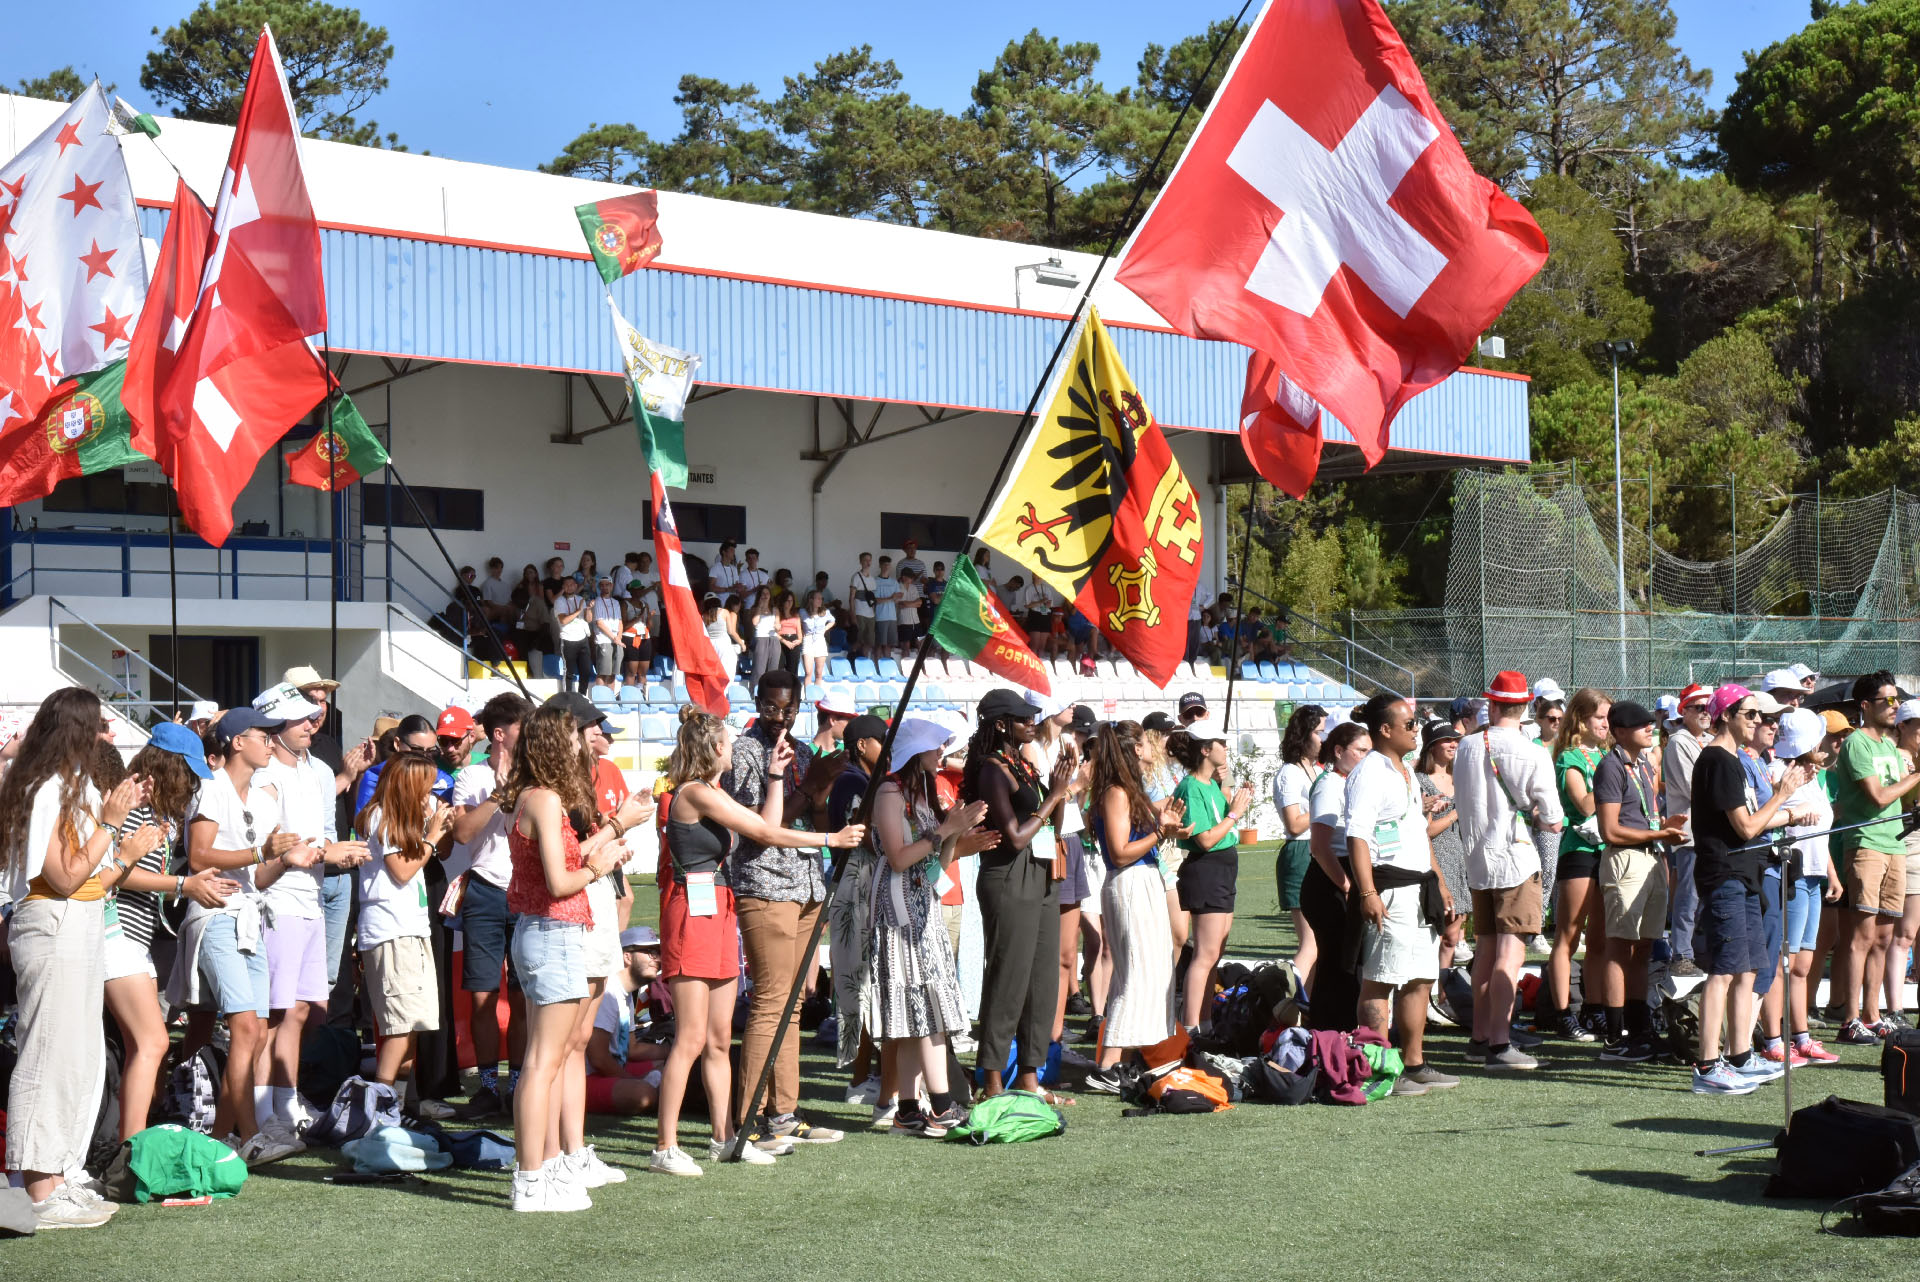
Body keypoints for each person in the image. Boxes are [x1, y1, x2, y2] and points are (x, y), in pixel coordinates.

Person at [653, 709, 866, 1176]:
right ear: (713, 749)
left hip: (718, 910)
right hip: (692, 911)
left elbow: (765, 823)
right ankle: (664, 1146)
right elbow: (767, 833)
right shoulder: (694, 793)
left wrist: (774, 776)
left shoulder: (712, 793)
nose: (733, 747)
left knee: (715, 1039)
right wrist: (832, 837)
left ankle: (724, 1138)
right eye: (728, 741)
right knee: (689, 1038)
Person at [0, 689, 161, 1228]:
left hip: (82, 924)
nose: (108, 737)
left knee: (79, 1059)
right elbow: (66, 877)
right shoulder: (44, 788)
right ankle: (37, 1190)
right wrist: (114, 827)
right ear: (75, 730)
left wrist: (124, 846)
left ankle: (60, 1174)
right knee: (49, 1055)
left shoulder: (75, 786)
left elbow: (93, 879)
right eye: (100, 726)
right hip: (53, 923)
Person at [498, 704, 641, 1211]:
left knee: (549, 1060)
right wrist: (599, 865)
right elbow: (561, 883)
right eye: (576, 737)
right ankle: (531, 1179)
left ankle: (544, 1171)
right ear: (558, 744)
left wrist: (597, 853)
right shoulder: (544, 799)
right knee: (542, 1063)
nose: (585, 743)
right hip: (553, 932)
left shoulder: (532, 797)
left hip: (544, 932)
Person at [173, 707, 313, 1163]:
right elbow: (198, 857)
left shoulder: (266, 800)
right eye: (263, 735)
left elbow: (261, 877)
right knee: (242, 1026)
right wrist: (260, 851)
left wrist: (285, 859)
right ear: (237, 742)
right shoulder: (211, 789)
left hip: (250, 916)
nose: (271, 743)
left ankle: (222, 1138)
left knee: (252, 1030)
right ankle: (249, 1135)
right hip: (216, 916)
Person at [721, 668, 848, 1146]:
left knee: (794, 1005)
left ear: (800, 706)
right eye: (771, 706)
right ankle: (748, 1122)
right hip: (765, 884)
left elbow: (815, 816)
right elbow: (758, 829)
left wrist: (821, 789)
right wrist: (806, 785)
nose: (779, 716)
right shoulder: (744, 752)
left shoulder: (808, 751)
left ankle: (783, 1115)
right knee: (770, 1002)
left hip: (808, 885)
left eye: (788, 708)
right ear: (757, 701)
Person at [863, 718, 998, 1137]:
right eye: (936, 746)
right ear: (915, 750)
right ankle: (939, 1106)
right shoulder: (889, 792)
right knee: (924, 1010)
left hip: (923, 909)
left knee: (916, 1013)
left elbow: (935, 863)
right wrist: (947, 830)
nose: (942, 753)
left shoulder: (918, 793)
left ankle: (908, 1109)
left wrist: (955, 835)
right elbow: (899, 858)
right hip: (902, 915)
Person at [106, 725, 237, 1146]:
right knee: (153, 1041)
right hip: (116, 933)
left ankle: (128, 1140)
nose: (194, 784)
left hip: (134, 938)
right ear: (170, 766)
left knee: (140, 1044)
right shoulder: (134, 803)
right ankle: (130, 1146)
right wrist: (185, 885)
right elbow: (120, 873)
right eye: (190, 773)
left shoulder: (156, 811)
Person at [254, 682, 371, 1132]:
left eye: (310, 715)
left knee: (307, 1008)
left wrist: (332, 849)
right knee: (275, 1012)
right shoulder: (263, 775)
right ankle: (263, 1109)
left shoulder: (321, 770)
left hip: (310, 900)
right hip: (276, 900)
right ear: (274, 725)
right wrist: (330, 850)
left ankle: (284, 1099)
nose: (311, 722)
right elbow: (272, 846)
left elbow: (321, 832)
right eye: (299, 717)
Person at [1687, 684, 1811, 1095]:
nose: (1759, 722)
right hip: (1725, 874)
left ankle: (1739, 1056)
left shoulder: (1735, 762)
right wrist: (1783, 799)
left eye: (1760, 715)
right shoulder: (1718, 761)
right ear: (1726, 715)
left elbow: (1751, 824)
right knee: (1723, 971)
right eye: (1751, 714)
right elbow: (1746, 827)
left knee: (1750, 968)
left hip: (1745, 875)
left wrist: (1785, 809)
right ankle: (1707, 1065)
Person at [965, 689, 1077, 1099]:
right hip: (1010, 878)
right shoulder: (992, 769)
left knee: (1043, 980)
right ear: (1000, 725)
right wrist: (1052, 796)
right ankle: (992, 1080)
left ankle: (1031, 1077)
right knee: (1008, 979)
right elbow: (1014, 837)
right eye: (1022, 718)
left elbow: (1050, 826)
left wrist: (1059, 788)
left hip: (1043, 874)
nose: (1032, 722)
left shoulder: (1023, 764)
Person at [1347, 693, 1457, 1092]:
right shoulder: (1370, 773)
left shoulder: (1407, 771)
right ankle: (1377, 1068)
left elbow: (1415, 831)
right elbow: (1357, 835)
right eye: (1409, 724)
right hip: (1389, 887)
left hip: (1420, 886)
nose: (1417, 730)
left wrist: (1440, 881)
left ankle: (1413, 1063)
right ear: (1385, 730)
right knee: (1380, 979)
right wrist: (1367, 893)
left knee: (1420, 977)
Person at [1454, 675, 1559, 1073]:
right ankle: (1500, 1043)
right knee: (1508, 957)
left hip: (1477, 859)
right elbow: (1552, 819)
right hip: (1515, 859)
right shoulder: (1532, 751)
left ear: (1493, 705)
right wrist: (1533, 813)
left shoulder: (1465, 746)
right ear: (1526, 707)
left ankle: (1481, 1039)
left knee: (1485, 953)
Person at [448, 691, 534, 1119]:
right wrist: (500, 796)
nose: (530, 733)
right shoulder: (471, 777)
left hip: (525, 892)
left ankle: (516, 1083)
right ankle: (486, 1086)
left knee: (522, 997)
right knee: (482, 996)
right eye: (523, 726)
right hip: (484, 890)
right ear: (500, 734)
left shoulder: (539, 776)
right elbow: (462, 833)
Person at [1085, 721, 1184, 1093]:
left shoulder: (1126, 790)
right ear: (1134, 749)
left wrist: (1167, 827)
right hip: (1130, 884)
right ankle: (1107, 1065)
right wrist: (1160, 833)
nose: (1150, 748)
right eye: (1143, 742)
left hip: (1141, 882)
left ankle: (1121, 1062)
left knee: (1148, 972)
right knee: (1135, 974)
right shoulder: (1116, 792)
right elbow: (1120, 851)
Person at [355, 754, 456, 1099]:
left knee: (413, 1025)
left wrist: (437, 830)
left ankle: (398, 1106)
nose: (430, 792)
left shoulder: (401, 816)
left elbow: (435, 851)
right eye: (425, 784)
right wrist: (430, 836)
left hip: (409, 929)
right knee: (400, 1027)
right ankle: (380, 1107)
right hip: (391, 931)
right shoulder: (383, 816)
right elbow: (402, 871)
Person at [1592, 700, 1687, 1063]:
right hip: (1628, 860)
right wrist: (1658, 834)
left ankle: (1639, 1028)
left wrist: (1664, 829)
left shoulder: (1644, 764)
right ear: (1618, 732)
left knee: (1644, 948)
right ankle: (1616, 1039)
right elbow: (1610, 829)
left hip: (1651, 858)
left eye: (1651, 723)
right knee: (1620, 949)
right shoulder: (1611, 767)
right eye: (1641, 724)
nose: (1650, 728)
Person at [1828, 670, 1920, 1045]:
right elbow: (1878, 797)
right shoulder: (1857, 745)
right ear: (1865, 706)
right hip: (1866, 844)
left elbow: (1901, 799)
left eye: (1897, 700)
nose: (1894, 707)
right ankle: (1849, 1018)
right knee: (1861, 937)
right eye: (1888, 701)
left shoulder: (1888, 746)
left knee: (1884, 937)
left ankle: (1873, 1013)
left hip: (1895, 845)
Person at [1764, 707, 1843, 1065]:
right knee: (1786, 961)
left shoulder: (1814, 778)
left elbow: (1820, 834)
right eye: (1822, 740)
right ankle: (1775, 1039)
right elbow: (1769, 820)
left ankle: (1801, 1037)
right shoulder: (1778, 773)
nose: (1828, 746)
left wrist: (1832, 873)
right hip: (1790, 876)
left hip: (1813, 876)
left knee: (1804, 965)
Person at [1170, 723, 1254, 1036]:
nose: (1226, 747)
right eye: (1221, 743)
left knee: (1214, 954)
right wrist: (1234, 813)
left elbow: (1226, 800)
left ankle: (1205, 1024)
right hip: (1206, 870)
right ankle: (1190, 1029)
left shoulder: (1209, 784)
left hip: (1220, 870)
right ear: (1206, 749)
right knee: (1205, 955)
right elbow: (1205, 838)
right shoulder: (1191, 787)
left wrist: (1235, 799)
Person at [1544, 687, 1612, 1041]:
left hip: (1607, 850)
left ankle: (1594, 1008)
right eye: (1599, 717)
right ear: (1581, 720)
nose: (1606, 724)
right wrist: (1609, 774)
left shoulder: (1604, 756)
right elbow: (1584, 806)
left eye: (1607, 717)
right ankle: (1562, 1013)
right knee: (1568, 935)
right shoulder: (1568, 757)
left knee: (1600, 938)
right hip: (1579, 851)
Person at [1304, 721, 1370, 1032]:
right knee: (1337, 964)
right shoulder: (1330, 784)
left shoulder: (1352, 782)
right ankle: (1328, 1036)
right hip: (1330, 878)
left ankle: (1339, 1032)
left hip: (1344, 873)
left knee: (1346, 963)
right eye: (1360, 751)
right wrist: (1346, 886)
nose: (1365, 757)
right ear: (1339, 751)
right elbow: (1319, 846)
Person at [584, 927, 669, 1116]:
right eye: (649, 952)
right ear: (627, 957)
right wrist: (633, 1080)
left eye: (658, 953)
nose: (657, 958)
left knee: (670, 1067)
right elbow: (597, 1057)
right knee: (643, 1094)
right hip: (585, 1078)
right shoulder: (608, 992)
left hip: (610, 1070)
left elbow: (632, 1048)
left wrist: (672, 1050)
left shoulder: (626, 993)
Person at [1662, 683, 1714, 976]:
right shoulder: (1679, 741)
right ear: (1684, 711)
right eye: (1698, 707)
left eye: (1708, 707)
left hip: (1708, 831)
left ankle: (1699, 951)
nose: (1706, 713)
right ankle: (1681, 952)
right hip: (1691, 831)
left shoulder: (1706, 740)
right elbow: (1694, 787)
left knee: (1704, 896)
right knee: (1689, 895)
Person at [1274, 705, 1327, 987]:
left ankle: (1307, 1011)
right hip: (1300, 853)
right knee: (1311, 944)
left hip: (1317, 851)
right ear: (1304, 735)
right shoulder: (1289, 774)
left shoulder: (1317, 769)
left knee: (1321, 944)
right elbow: (1294, 823)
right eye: (1319, 732)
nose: (1324, 738)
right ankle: (1288, 1003)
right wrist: (1324, 805)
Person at [1417, 722, 1469, 974]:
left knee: (1453, 935)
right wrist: (1456, 812)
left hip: (1461, 861)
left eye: (1455, 740)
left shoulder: (1459, 778)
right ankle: (1429, 993)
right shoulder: (1420, 782)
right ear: (1431, 746)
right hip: (1435, 860)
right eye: (1446, 740)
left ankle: (1445, 993)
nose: (1453, 744)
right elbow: (1426, 831)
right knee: (1437, 934)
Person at [552, 575, 593, 695]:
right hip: (568, 639)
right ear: (563, 587)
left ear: (576, 586)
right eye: (567, 585)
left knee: (585, 670)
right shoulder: (559, 601)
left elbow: (588, 620)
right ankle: (567, 698)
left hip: (582, 638)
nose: (570, 587)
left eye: (572, 584)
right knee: (569, 672)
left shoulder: (581, 599)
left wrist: (589, 609)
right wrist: (578, 611)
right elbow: (563, 620)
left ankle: (582, 695)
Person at [589, 577, 626, 692]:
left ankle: (610, 699)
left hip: (616, 640)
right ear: (599, 587)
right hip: (604, 640)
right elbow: (599, 623)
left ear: (612, 585)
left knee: (613, 673)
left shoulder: (615, 602)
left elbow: (620, 621)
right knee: (603, 673)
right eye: (602, 585)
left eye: (607, 585)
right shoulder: (597, 601)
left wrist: (619, 637)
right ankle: (600, 700)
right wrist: (615, 638)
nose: (605, 587)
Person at [746, 585, 780, 692]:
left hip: (773, 639)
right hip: (761, 639)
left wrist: (778, 627)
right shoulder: (755, 609)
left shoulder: (775, 609)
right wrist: (760, 607)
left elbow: (778, 625)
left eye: (767, 593)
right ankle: (754, 694)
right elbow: (755, 622)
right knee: (759, 670)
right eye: (763, 594)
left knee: (773, 669)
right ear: (759, 596)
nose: (765, 596)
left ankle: (770, 693)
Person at [801, 590, 834, 690]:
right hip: (808, 639)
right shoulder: (803, 612)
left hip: (820, 639)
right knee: (808, 672)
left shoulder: (825, 612)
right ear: (811, 599)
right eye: (818, 598)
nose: (820, 600)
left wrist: (824, 629)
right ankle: (808, 698)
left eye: (821, 599)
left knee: (819, 673)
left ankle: (816, 696)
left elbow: (832, 621)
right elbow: (798, 623)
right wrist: (801, 632)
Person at [849, 552, 878, 658]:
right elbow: (851, 597)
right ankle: (852, 658)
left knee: (869, 641)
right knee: (859, 640)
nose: (868, 562)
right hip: (859, 613)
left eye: (869, 560)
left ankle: (864, 661)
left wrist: (874, 613)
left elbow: (873, 599)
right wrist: (852, 614)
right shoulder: (856, 577)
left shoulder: (872, 579)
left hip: (870, 614)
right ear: (861, 562)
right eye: (865, 560)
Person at [872, 555, 900, 659]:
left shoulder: (894, 582)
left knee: (889, 645)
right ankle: (877, 668)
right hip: (880, 617)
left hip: (892, 617)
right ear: (880, 565)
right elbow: (875, 601)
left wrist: (896, 598)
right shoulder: (874, 581)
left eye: (888, 565)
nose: (887, 567)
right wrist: (891, 598)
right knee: (879, 644)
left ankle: (887, 667)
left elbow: (897, 599)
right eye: (884, 565)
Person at [479, 557, 516, 622]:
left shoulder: (506, 585)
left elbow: (510, 601)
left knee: (516, 610)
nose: (499, 570)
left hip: (507, 608)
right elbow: (489, 602)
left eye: (501, 568)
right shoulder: (488, 583)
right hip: (495, 609)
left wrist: (509, 607)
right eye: (497, 568)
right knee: (505, 611)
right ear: (491, 569)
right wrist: (502, 608)